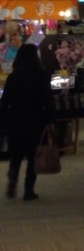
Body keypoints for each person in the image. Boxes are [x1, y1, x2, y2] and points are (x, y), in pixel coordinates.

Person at [0, 43, 55, 201]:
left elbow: (5, 102)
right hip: (35, 119)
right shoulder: (40, 75)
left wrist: (2, 121)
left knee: (15, 154)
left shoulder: (13, 77)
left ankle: (12, 178)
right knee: (33, 156)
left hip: (15, 119)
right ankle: (28, 190)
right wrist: (50, 120)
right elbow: (47, 100)